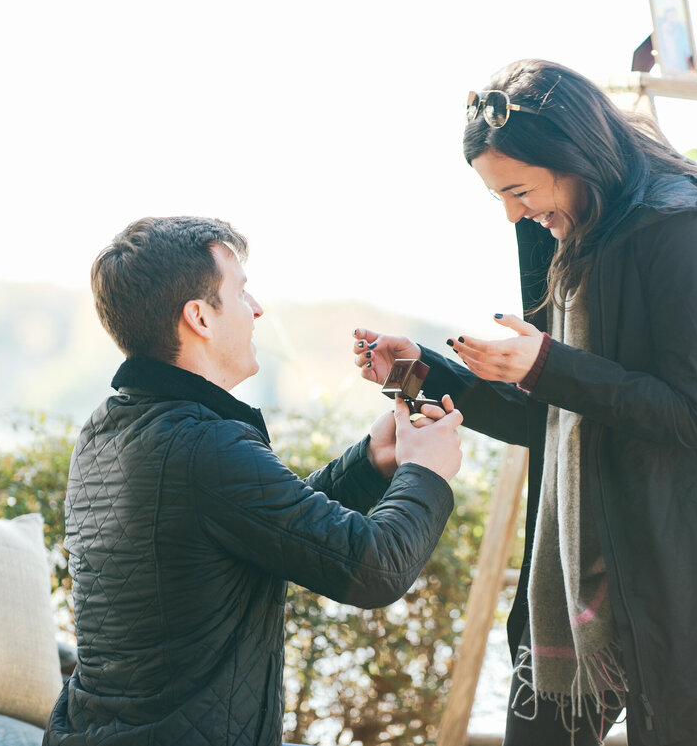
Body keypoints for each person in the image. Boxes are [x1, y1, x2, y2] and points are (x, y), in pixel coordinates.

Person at [353, 60, 697, 746]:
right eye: (497, 197)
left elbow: (690, 413)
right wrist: (420, 372)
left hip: (680, 574)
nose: (514, 212)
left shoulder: (690, 230)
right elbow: (553, 416)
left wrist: (547, 365)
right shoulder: (565, 233)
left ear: (571, 157)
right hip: (573, 581)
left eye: (517, 190)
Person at [45, 216, 464, 746]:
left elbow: (267, 522)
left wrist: (371, 461)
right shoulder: (203, 446)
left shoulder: (113, 428)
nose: (258, 308)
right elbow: (374, 567)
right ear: (198, 316)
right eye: (241, 292)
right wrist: (425, 473)